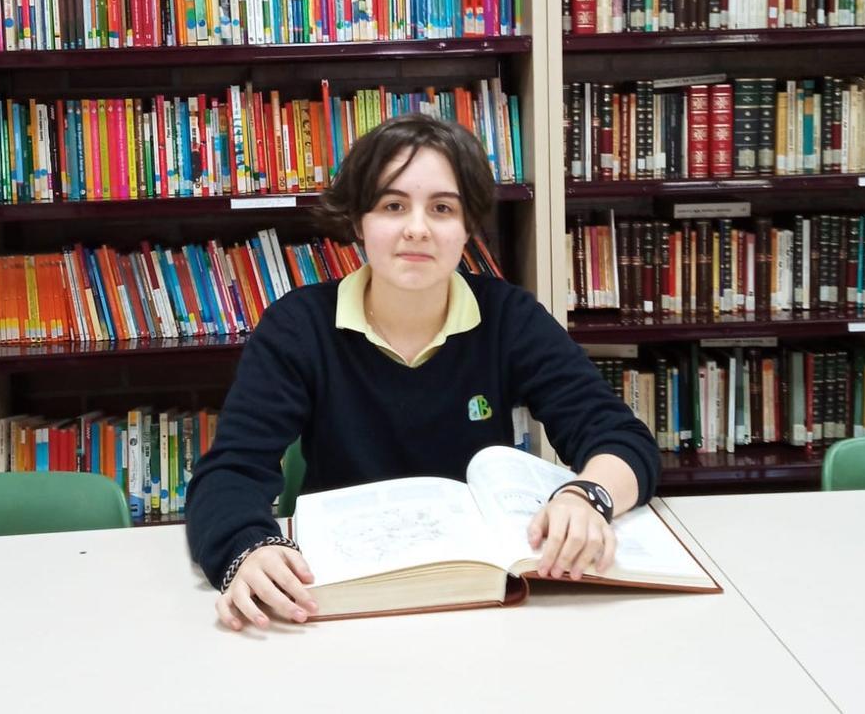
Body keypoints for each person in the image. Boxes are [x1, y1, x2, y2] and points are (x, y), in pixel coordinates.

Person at [185, 113, 659, 632]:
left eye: (442, 208)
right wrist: (249, 549)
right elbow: (230, 471)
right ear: (359, 222)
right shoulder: (298, 326)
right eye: (392, 205)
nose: (417, 227)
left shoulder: (509, 317)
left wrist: (587, 495)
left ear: (466, 227)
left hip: (483, 597)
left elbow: (617, 436)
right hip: (339, 600)